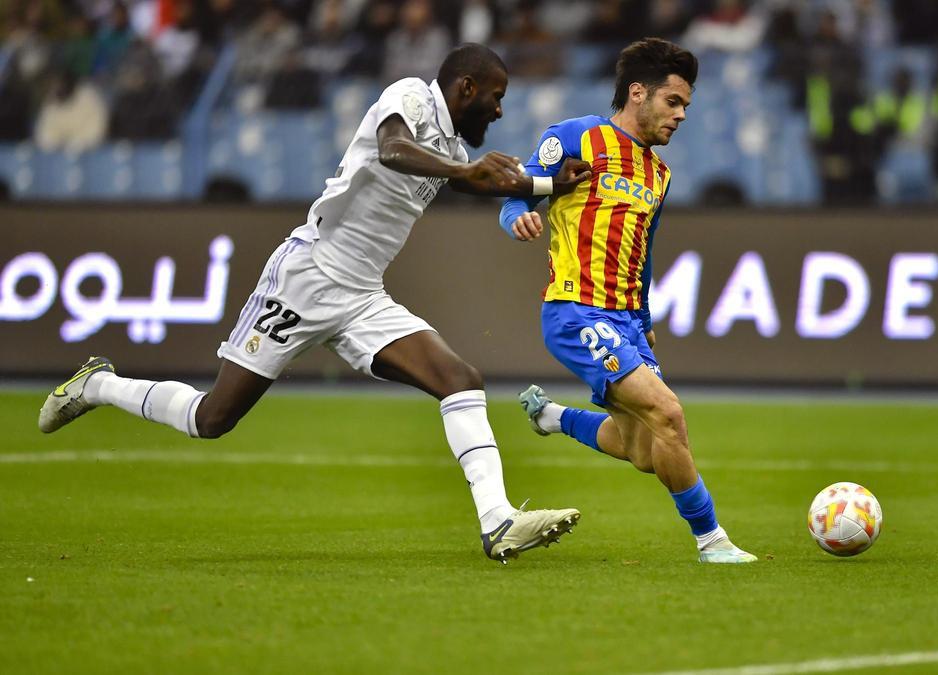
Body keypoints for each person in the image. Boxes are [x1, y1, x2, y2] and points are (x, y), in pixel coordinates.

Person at [38, 44, 592, 564]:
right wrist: (461, 170)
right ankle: (97, 385)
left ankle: (497, 521)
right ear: (466, 87)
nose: (498, 111)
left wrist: (548, 188)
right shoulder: (410, 98)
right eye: (495, 97)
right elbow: (393, 150)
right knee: (213, 418)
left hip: (362, 296)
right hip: (305, 277)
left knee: (461, 379)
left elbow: (468, 183)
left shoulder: (450, 147)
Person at [497, 38, 757, 564]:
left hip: (626, 320)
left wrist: (643, 317)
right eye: (674, 102)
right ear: (638, 93)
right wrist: (516, 217)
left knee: (642, 449)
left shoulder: (658, 175)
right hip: (575, 309)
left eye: (686, 106)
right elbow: (518, 192)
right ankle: (712, 541)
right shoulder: (576, 137)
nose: (681, 115)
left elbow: (644, 253)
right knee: (668, 415)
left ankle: (552, 417)